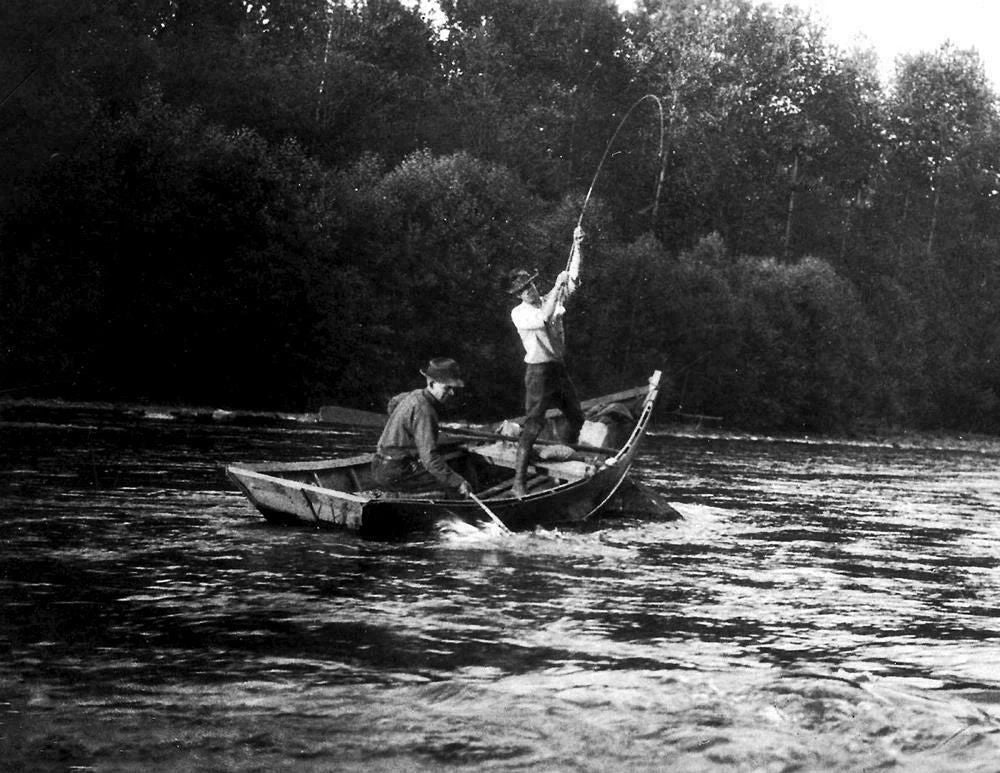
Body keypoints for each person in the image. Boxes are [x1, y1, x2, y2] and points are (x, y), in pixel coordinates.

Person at [506, 225, 587, 498]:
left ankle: (563, 463)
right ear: (517, 295)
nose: (529, 291)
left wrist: (577, 246)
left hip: (558, 369)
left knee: (577, 416)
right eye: (523, 289)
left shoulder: (547, 298)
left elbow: (573, 279)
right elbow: (544, 318)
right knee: (533, 424)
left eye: (530, 285)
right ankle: (519, 482)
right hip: (538, 372)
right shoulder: (520, 313)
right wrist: (556, 285)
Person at [371, 357, 473, 498]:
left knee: (441, 474)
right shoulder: (426, 410)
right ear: (432, 383)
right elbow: (429, 458)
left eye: (453, 388)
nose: (452, 393)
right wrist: (458, 482)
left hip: (378, 465)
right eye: (447, 388)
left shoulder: (414, 395)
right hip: (397, 471)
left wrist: (409, 431)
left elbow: (392, 404)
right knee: (451, 489)